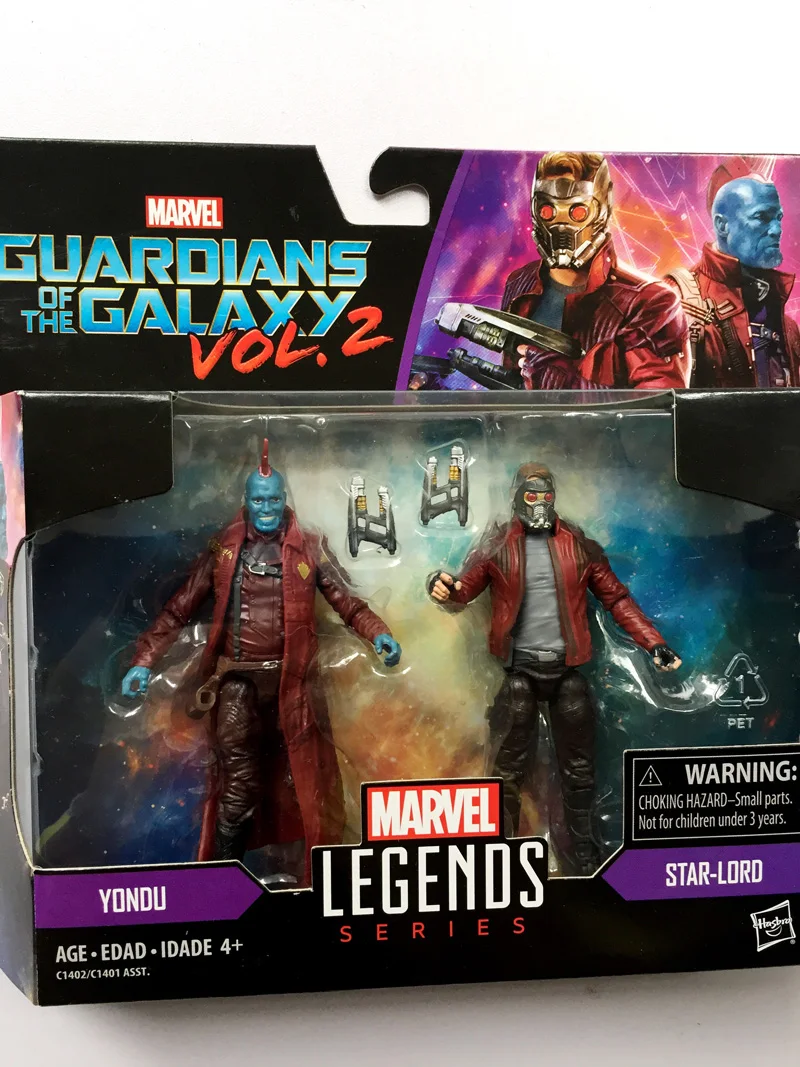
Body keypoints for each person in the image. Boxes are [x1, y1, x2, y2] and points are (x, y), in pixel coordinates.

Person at [121, 440, 401, 879]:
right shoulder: (224, 550)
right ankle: (221, 878)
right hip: (237, 684)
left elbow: (345, 601)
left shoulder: (308, 547)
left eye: (273, 499)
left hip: (294, 686)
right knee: (239, 788)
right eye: (258, 500)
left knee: (306, 785)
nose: (266, 508)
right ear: (246, 500)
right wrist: (144, 661)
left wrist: (378, 633)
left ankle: (312, 878)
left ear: (283, 499)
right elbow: (179, 608)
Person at [428, 463, 680, 874]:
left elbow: (615, 598)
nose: (540, 503)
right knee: (507, 771)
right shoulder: (498, 545)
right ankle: (501, 852)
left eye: (547, 496)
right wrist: (442, 587)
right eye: (532, 496)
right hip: (520, 672)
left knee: (580, 771)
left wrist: (654, 643)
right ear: (517, 498)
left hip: (566, 673)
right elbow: (464, 589)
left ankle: (585, 850)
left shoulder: (577, 544)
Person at [503, 151, 691, 390]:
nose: (561, 226)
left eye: (577, 212)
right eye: (548, 211)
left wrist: (566, 385)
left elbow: (656, 403)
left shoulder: (652, 303)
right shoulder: (520, 284)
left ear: (603, 210)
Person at [667, 159, 800, 387]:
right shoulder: (676, 300)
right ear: (722, 225)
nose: (777, 230)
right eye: (761, 217)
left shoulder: (785, 323)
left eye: (778, 218)